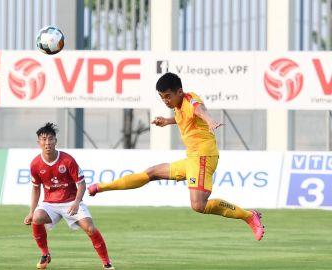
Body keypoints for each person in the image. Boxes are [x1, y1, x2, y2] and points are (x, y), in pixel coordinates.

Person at [88, 72, 265, 241]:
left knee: (198, 205)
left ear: (179, 92)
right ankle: (102, 187)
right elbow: (184, 117)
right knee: (152, 173)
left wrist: (210, 120)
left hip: (203, 157)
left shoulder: (190, 101)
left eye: (167, 96)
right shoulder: (178, 106)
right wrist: (167, 121)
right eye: (162, 97)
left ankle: (249, 216)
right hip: (192, 159)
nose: (165, 101)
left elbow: (199, 109)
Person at [24, 123, 115, 270]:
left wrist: (77, 202)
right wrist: (31, 211)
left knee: (90, 228)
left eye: (50, 139)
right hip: (50, 203)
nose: (47, 143)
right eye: (44, 139)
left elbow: (82, 184)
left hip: (71, 201)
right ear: (39, 142)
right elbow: (36, 188)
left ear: (56, 141)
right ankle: (45, 254)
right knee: (37, 217)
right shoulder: (35, 164)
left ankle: (106, 262)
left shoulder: (67, 160)